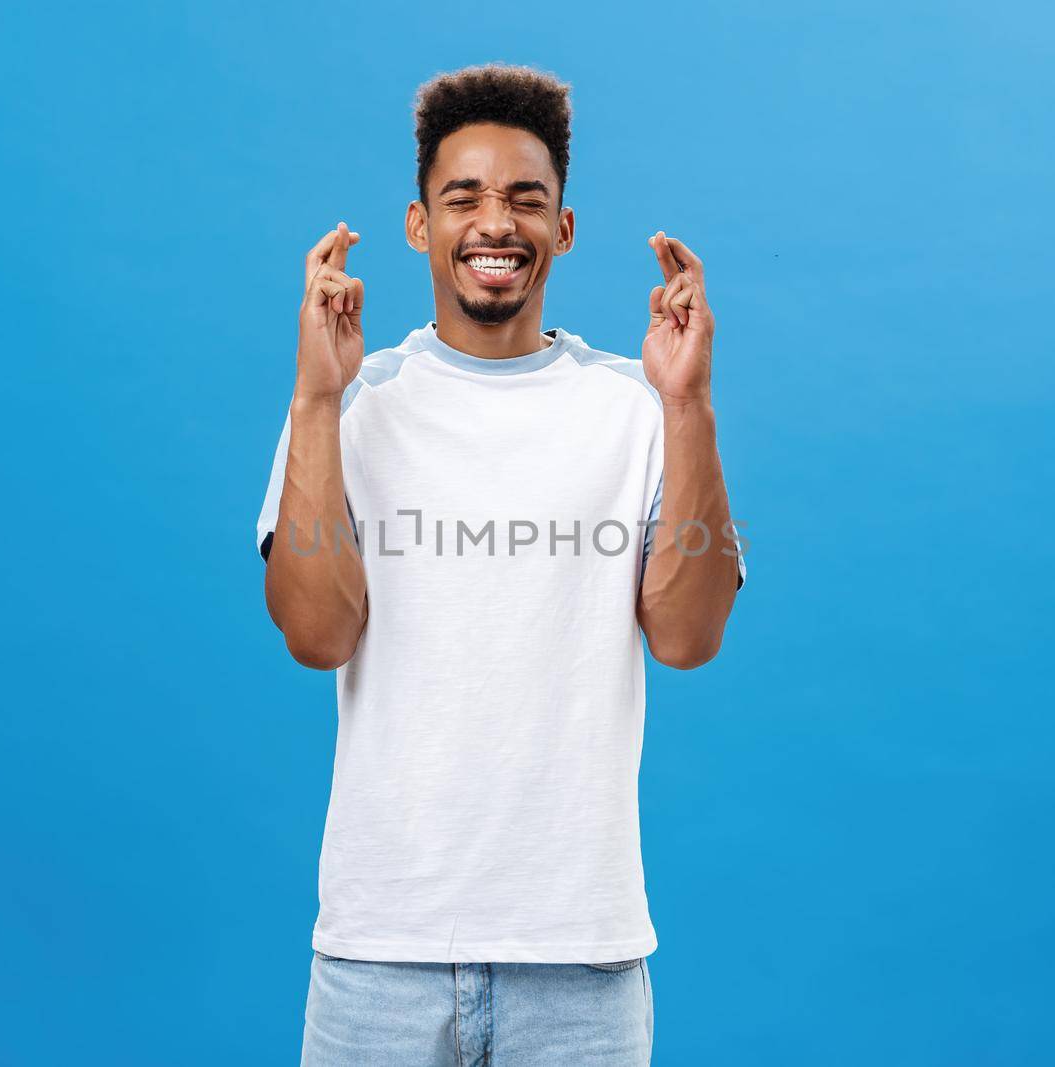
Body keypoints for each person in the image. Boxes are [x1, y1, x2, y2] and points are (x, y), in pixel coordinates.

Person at [255, 62, 747, 1066]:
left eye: (527, 200)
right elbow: (316, 636)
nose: (496, 223)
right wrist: (313, 400)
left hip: (582, 959)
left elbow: (689, 638)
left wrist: (687, 404)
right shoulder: (351, 401)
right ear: (417, 225)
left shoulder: (636, 408)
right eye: (462, 198)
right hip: (378, 957)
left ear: (563, 229)